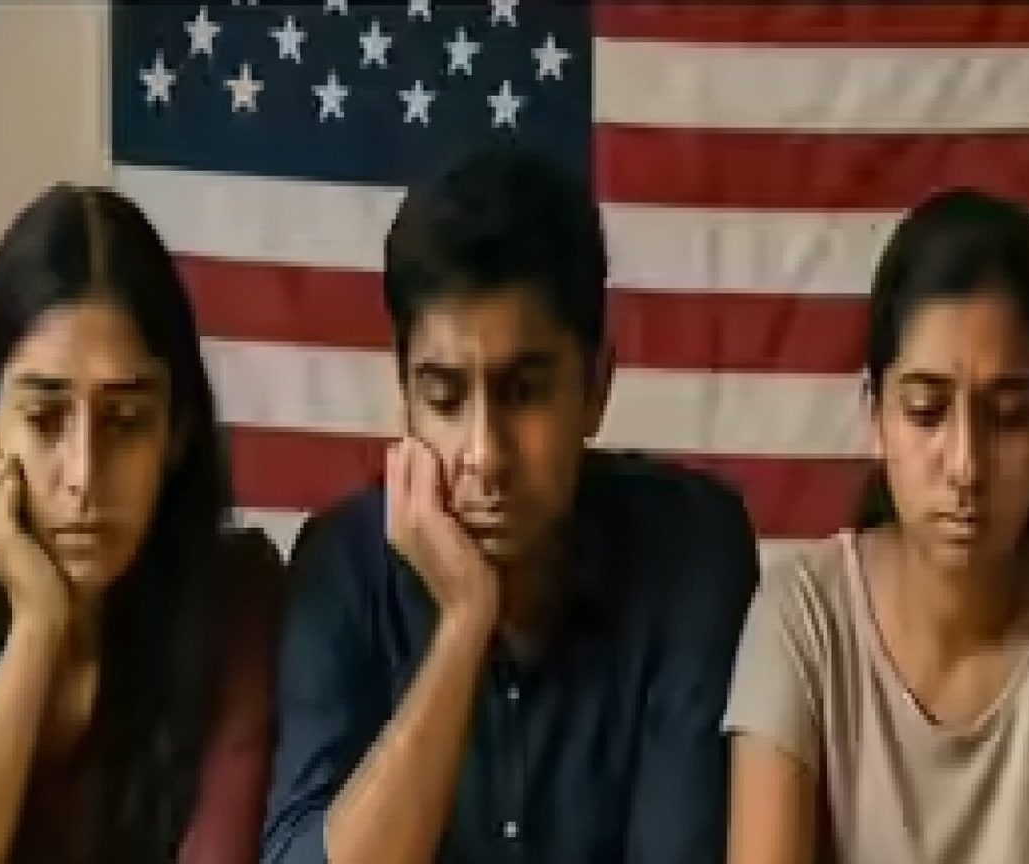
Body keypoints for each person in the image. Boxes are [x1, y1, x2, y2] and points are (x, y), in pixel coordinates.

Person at [260, 142, 760, 864]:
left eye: (524, 393)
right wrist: (464, 628)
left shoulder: (694, 551)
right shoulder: (340, 568)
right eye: (444, 398)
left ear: (596, 386)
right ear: (404, 395)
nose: (485, 455)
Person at [724, 189, 1029, 863]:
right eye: (927, 411)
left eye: (1007, 417)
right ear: (875, 417)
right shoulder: (802, 619)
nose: (965, 465)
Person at [0, 184, 284, 863]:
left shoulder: (236, 600)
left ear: (177, 431)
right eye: (45, 420)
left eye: (124, 423)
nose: (84, 475)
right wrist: (37, 624)